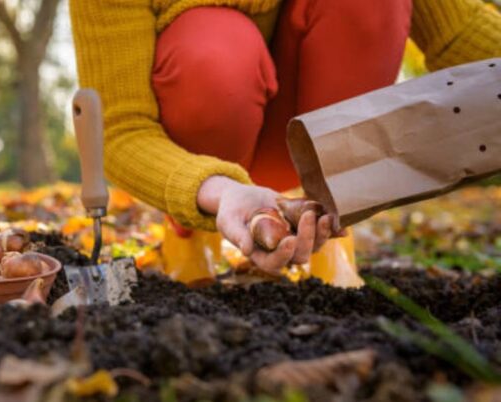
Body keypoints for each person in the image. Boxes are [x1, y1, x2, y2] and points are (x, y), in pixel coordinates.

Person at [69, 0, 501, 281]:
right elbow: (123, 130)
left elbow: (458, 32)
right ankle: (189, 238)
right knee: (214, 47)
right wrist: (213, 191)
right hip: (203, 146)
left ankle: (331, 224)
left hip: (309, 135)